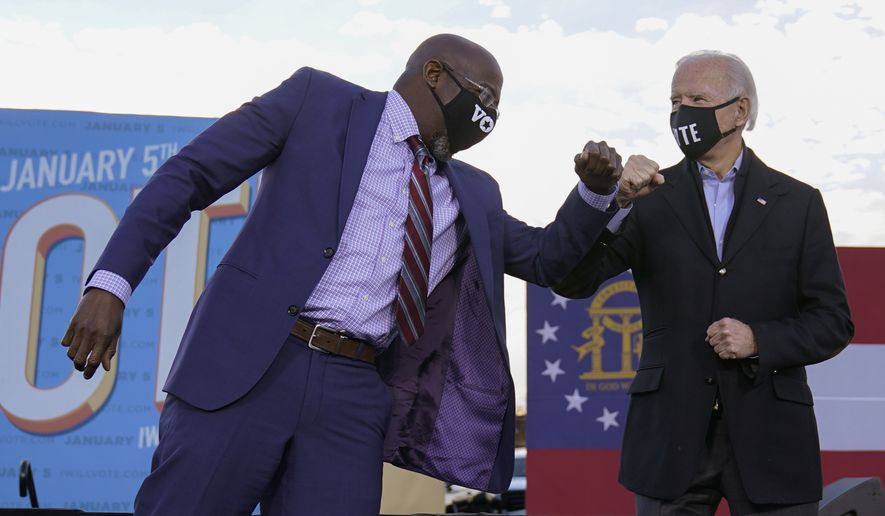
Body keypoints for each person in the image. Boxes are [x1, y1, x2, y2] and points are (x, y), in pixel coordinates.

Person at [60, 34, 643, 515]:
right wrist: (110, 284)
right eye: (483, 99)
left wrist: (596, 193)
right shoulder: (317, 101)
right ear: (435, 74)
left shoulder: (474, 193)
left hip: (354, 392)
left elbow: (549, 261)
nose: (487, 120)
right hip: (250, 366)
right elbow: (188, 175)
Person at [555, 50, 854, 516]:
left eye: (697, 97)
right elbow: (571, 280)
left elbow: (833, 321)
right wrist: (614, 204)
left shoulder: (798, 203)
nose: (682, 112)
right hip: (669, 439)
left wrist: (760, 339)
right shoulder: (647, 197)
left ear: (740, 111)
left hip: (770, 437)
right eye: (675, 100)